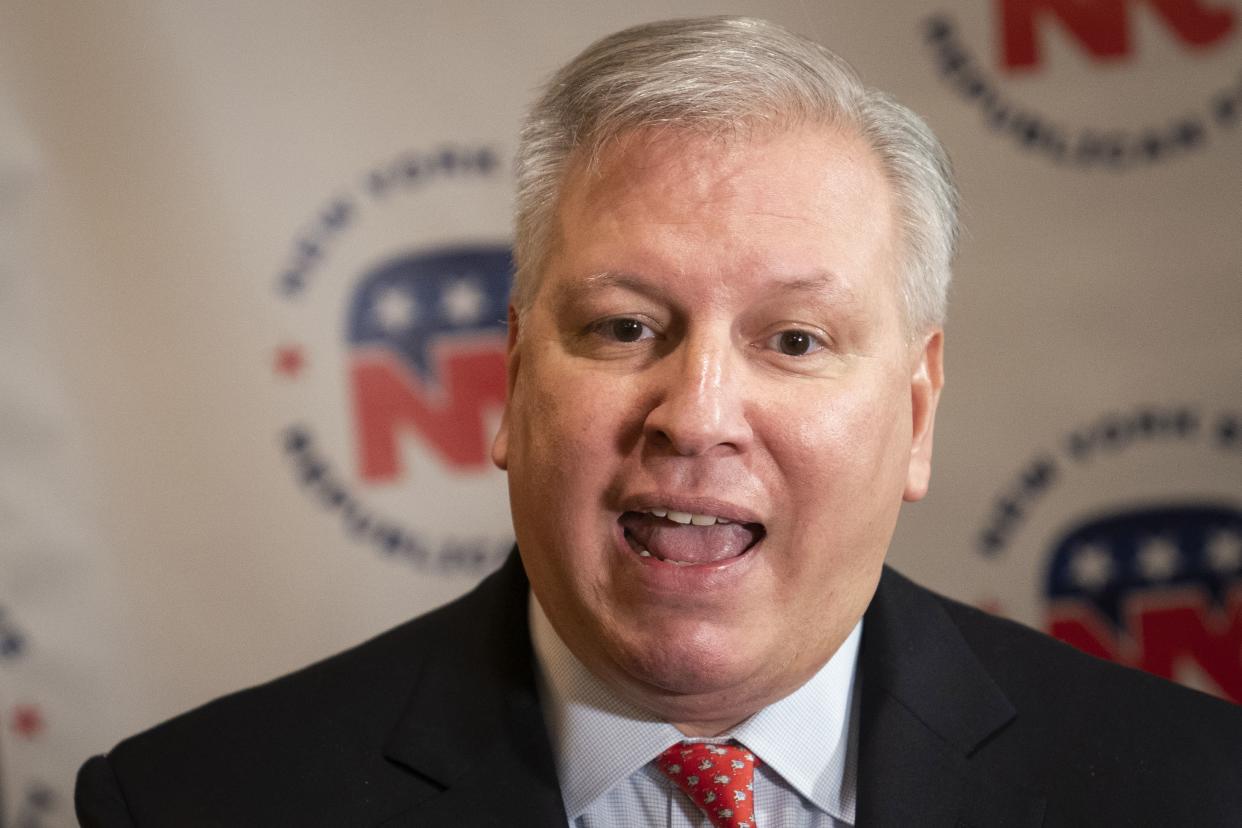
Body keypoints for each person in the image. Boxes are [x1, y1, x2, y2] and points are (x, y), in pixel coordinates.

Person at [76, 16, 1241, 827]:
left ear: (917, 415)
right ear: (514, 376)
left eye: (793, 340)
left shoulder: (1192, 792)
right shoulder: (199, 804)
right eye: (626, 328)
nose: (698, 416)